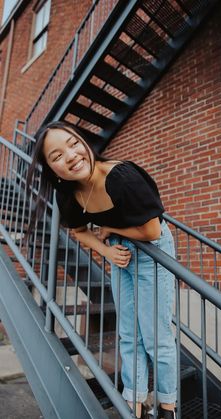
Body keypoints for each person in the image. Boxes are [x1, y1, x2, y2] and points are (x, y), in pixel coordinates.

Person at [27, 121, 177, 419]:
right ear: (52, 170)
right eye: (56, 156)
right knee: (127, 333)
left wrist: (109, 227)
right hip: (119, 251)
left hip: (153, 250)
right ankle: (134, 402)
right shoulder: (67, 193)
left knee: (155, 335)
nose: (70, 156)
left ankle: (167, 406)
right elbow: (79, 231)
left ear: (83, 141)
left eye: (72, 143)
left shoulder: (122, 177)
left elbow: (151, 231)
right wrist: (107, 249)